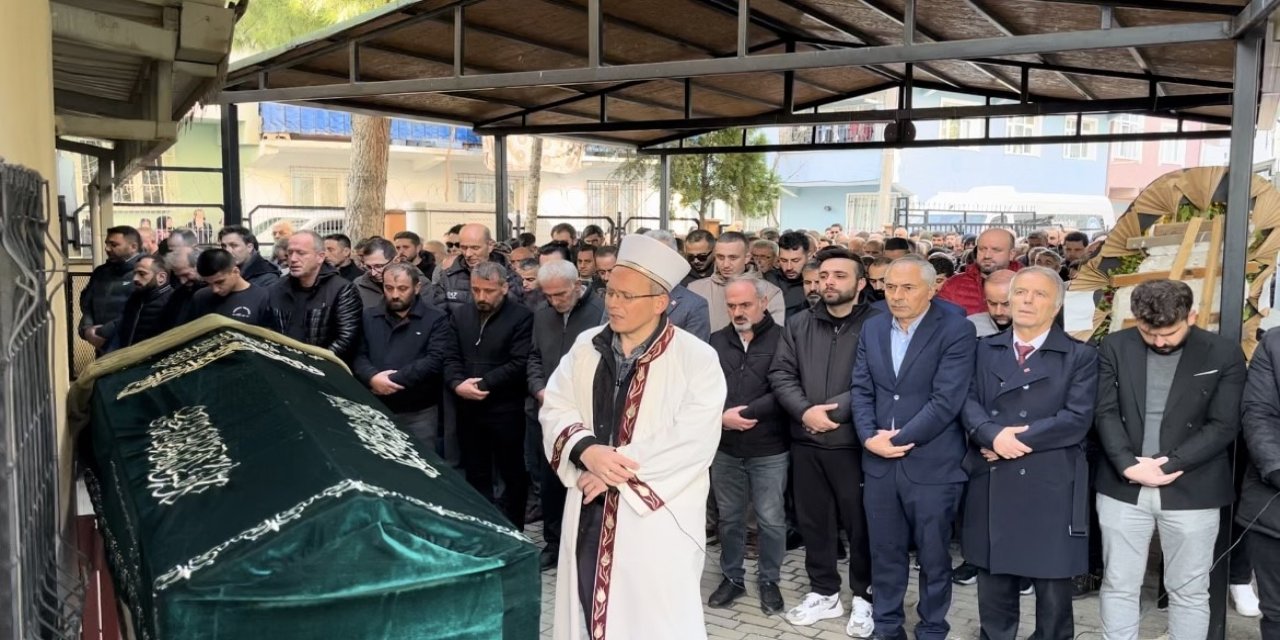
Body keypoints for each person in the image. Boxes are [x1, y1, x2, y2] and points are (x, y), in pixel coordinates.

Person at [540, 233, 726, 640]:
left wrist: (609, 468)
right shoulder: (586, 344)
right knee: (585, 605)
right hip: (588, 500)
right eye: (610, 293)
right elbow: (556, 404)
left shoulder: (697, 358)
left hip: (657, 515)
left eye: (627, 296)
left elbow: (693, 438)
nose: (613, 304)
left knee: (653, 617)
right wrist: (587, 451)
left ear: (660, 303)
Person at [1093, 279, 1245, 640]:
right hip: (1122, 483)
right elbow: (1104, 412)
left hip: (1194, 484)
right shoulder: (1114, 346)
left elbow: (1224, 425)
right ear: (1135, 321)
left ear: (1192, 315)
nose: (1160, 342)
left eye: (1170, 333)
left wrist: (1166, 464)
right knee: (1118, 583)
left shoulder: (1223, 352)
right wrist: (1128, 464)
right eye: (1149, 333)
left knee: (1189, 589)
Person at [960, 267, 1098, 640]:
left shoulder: (1079, 356)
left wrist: (1009, 445)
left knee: (1052, 583)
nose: (1026, 300)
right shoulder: (983, 349)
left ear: (1056, 305)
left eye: (1038, 294)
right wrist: (990, 434)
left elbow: (1075, 419)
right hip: (992, 478)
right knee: (994, 578)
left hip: (1050, 480)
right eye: (1020, 292)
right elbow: (967, 401)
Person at [852, 255, 977, 640]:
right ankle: (887, 626)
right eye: (890, 287)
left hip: (932, 465)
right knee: (885, 553)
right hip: (879, 462)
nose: (897, 296)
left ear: (932, 288)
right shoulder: (872, 329)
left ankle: (932, 628)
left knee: (934, 556)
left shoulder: (956, 330)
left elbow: (946, 400)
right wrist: (870, 437)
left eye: (908, 287)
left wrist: (897, 440)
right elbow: (861, 389)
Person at [769, 247, 881, 634]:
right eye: (824, 275)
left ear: (861, 283)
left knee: (861, 525)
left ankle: (866, 597)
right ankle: (824, 592)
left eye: (840, 275)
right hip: (806, 440)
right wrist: (805, 412)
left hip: (854, 444)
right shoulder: (799, 323)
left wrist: (832, 413)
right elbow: (781, 373)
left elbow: (879, 379)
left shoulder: (879, 323)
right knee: (814, 522)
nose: (828, 282)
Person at [706, 278, 789, 614]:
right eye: (732, 306)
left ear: (763, 301)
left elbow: (787, 387)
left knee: (770, 519)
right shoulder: (715, 341)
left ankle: (769, 579)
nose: (738, 312)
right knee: (729, 519)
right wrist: (720, 417)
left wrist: (748, 413)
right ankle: (732, 578)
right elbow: (703, 388)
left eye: (745, 305)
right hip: (725, 447)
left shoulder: (784, 339)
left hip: (769, 447)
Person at [528, 260, 605, 571]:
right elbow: (534, 356)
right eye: (548, 296)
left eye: (560, 294)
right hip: (547, 412)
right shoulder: (542, 314)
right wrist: (539, 389)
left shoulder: (600, 312)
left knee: (581, 482)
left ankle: (584, 547)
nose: (554, 301)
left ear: (577, 285)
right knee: (548, 481)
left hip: (584, 414)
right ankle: (553, 542)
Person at [445, 261, 534, 529]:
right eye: (475, 290)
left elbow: (519, 363)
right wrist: (457, 383)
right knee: (475, 471)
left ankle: (513, 529)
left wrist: (483, 384)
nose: (481, 297)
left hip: (506, 409)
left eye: (488, 291)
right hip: (467, 408)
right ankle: (482, 527)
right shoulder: (460, 315)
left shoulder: (521, 317)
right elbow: (449, 355)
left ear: (504, 288)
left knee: (512, 473)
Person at [353, 262, 452, 453]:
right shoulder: (368, 316)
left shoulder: (435, 318)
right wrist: (372, 377)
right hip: (375, 408)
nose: (395, 294)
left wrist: (390, 381)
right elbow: (358, 355)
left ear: (417, 288)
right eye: (389, 288)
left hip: (419, 410)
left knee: (423, 465)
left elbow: (435, 360)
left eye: (402, 288)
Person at [1240, 326, 1280, 636]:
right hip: (1275, 509)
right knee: (1277, 612)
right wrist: (1277, 469)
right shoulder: (1275, 343)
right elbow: (1258, 413)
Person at [269, 231, 362, 360]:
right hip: (282, 365)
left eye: (301, 253)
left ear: (320, 257)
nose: (293, 259)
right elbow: (268, 330)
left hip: (323, 368)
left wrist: (314, 363)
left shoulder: (341, 289)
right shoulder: (277, 288)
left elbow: (347, 338)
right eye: (290, 253)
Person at [688, 232, 784, 332]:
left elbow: (773, 336)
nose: (725, 264)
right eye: (720, 257)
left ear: (747, 258)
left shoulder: (770, 292)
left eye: (733, 258)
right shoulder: (695, 289)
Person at [79, 226, 143, 354]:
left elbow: (143, 309)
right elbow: (87, 303)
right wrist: (87, 330)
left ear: (133, 247)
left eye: (114, 244)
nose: (107, 249)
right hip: (102, 348)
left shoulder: (145, 272)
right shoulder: (100, 272)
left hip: (132, 349)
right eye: (106, 244)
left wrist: (105, 332)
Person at [434, 223, 522, 315]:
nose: (468, 254)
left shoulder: (510, 277)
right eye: (464, 247)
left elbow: (514, 316)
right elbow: (440, 317)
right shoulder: (447, 277)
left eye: (475, 248)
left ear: (490, 246)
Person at [642, 230, 711, 341]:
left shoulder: (694, 306)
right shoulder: (620, 295)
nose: (654, 261)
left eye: (661, 255)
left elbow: (695, 354)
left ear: (674, 258)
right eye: (649, 255)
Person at [938, 229, 1020, 315]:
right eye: (982, 249)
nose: (987, 255)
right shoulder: (953, 285)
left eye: (996, 250)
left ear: (1011, 254)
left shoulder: (1029, 284)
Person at [102, 254, 173, 353]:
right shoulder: (135, 299)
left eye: (142, 274)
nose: (135, 278)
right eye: (134, 273)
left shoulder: (173, 301)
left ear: (161, 277)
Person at [186, 248, 274, 327]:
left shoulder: (263, 298)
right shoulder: (200, 297)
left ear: (236, 271)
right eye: (208, 283)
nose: (215, 289)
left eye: (220, 282)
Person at [766, 231, 813, 319]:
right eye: (783, 260)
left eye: (795, 261)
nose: (789, 267)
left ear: (809, 256)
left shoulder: (820, 281)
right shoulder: (769, 280)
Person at [967, 269, 1016, 338]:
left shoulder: (1034, 329)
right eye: (992, 304)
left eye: (1006, 304)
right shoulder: (969, 326)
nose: (998, 312)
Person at [352, 238, 395, 308]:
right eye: (368, 267)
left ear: (395, 260)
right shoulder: (358, 285)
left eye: (379, 266)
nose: (373, 273)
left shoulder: (415, 281)